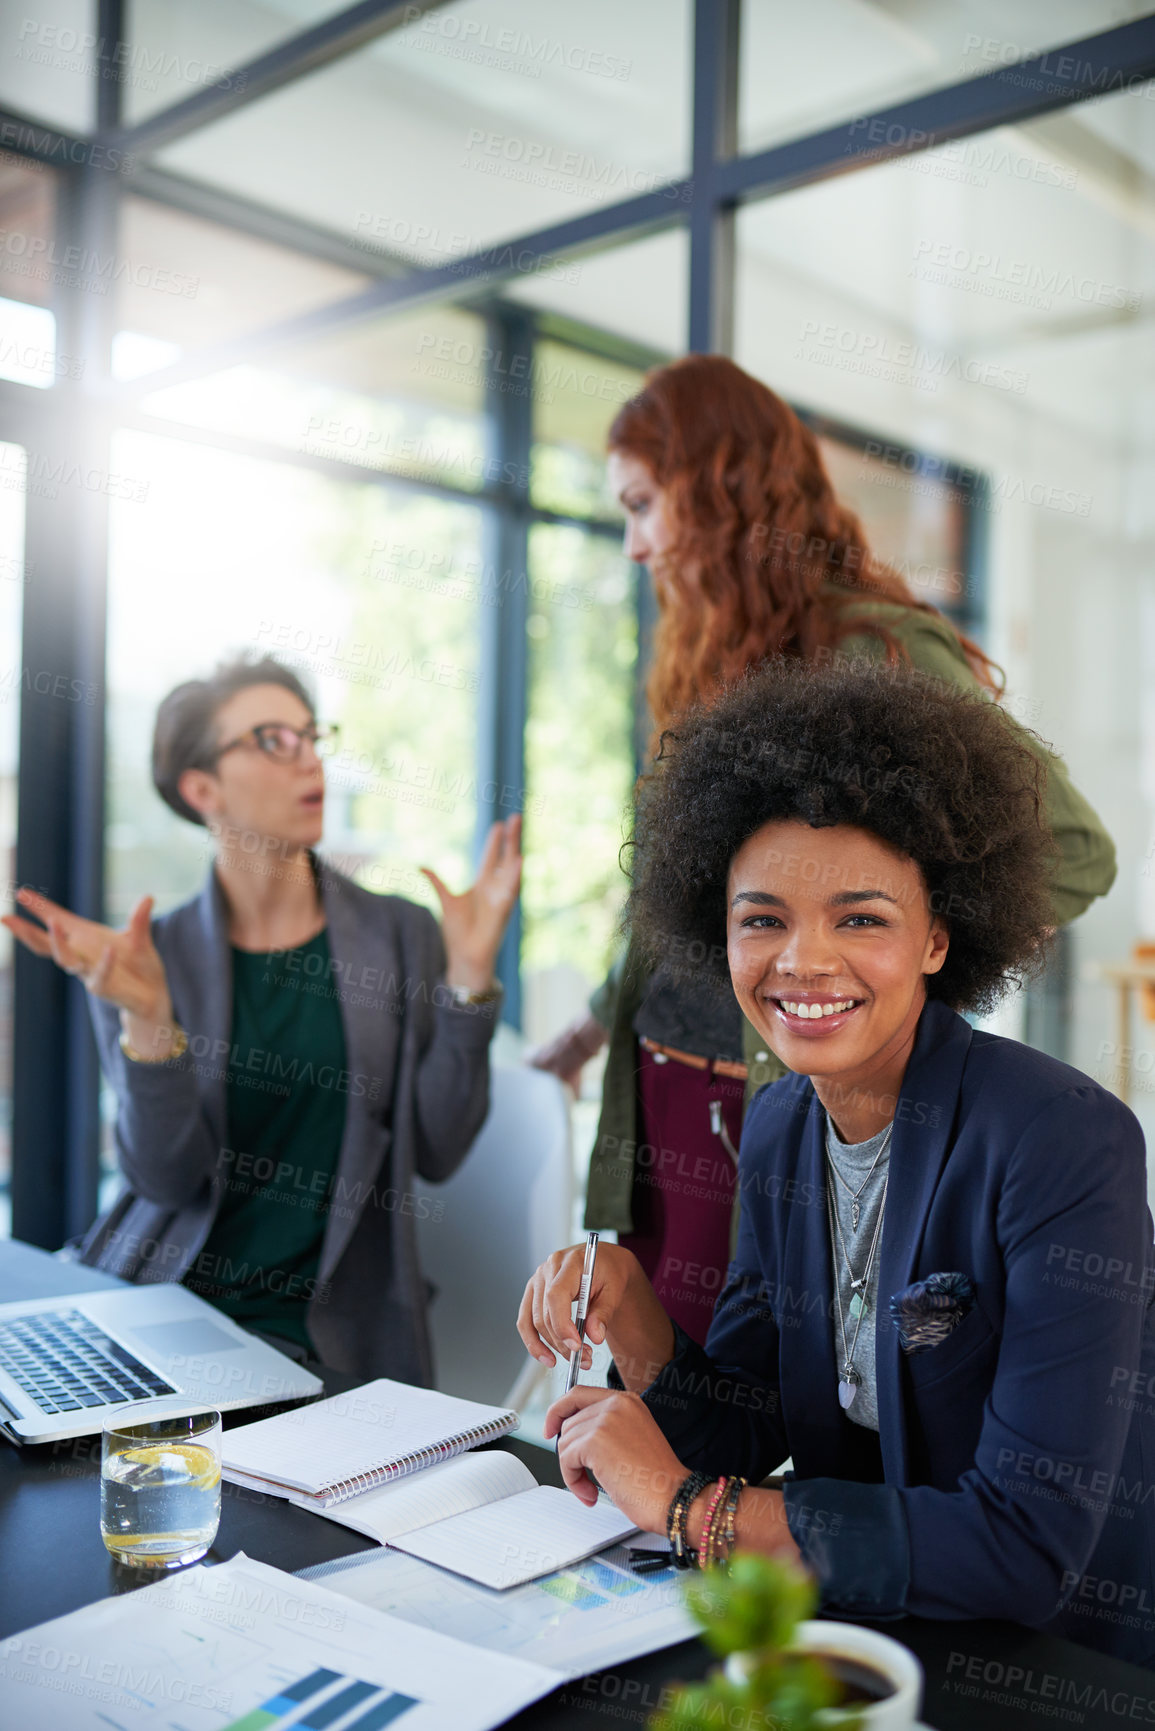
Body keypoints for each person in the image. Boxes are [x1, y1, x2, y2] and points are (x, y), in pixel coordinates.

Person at [519, 659, 1154, 1667]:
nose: (803, 962)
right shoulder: (777, 1127)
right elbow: (745, 1422)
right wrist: (637, 1319)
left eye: (860, 917)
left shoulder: (1064, 1141)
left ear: (940, 936)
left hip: (1050, 1662)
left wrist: (690, 1508)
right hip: (860, 1629)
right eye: (762, 918)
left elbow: (1025, 1545)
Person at [533, 354, 1116, 1347]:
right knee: (657, 1389)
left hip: (770, 1100)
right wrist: (592, 1029)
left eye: (642, 506)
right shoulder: (712, 656)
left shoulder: (877, 649)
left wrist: (899, 970)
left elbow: (1071, 848)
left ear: (718, 487)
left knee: (755, 1397)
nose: (633, 545)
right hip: (662, 1085)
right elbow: (685, 898)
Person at [4, 655, 522, 1384]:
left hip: (328, 1343)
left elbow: (436, 1148)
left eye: (312, 736)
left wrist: (468, 980)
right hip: (165, 1315)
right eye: (274, 740)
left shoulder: (398, 935)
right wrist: (149, 1015)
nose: (309, 758)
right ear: (201, 787)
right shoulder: (150, 957)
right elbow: (164, 1179)